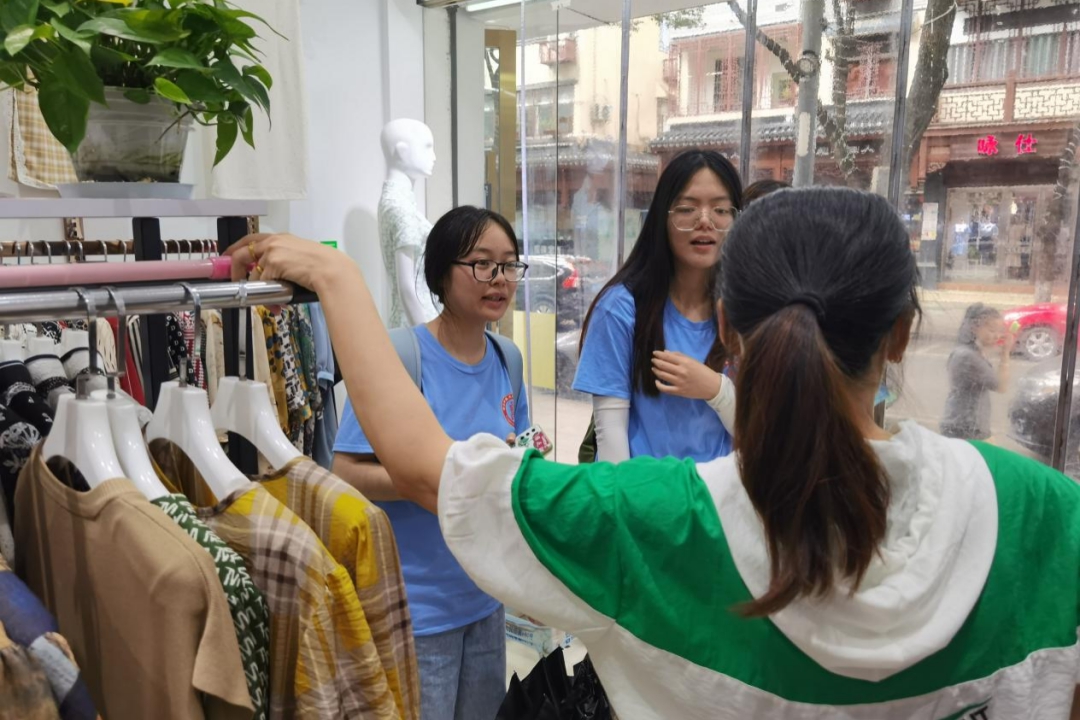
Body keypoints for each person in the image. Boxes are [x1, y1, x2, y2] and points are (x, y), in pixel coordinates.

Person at [230, 188, 1080, 719]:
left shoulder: (653, 521)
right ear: (901, 334)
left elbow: (428, 467)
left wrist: (337, 281)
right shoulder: (1041, 509)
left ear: (729, 332)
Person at [331, 206, 531, 720]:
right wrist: (446, 476)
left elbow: (515, 454)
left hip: (487, 595)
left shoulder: (507, 358)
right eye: (482, 264)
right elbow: (345, 472)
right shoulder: (400, 358)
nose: (500, 278)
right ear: (442, 273)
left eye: (510, 264)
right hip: (416, 608)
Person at [573, 149, 743, 463]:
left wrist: (716, 389)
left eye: (720, 209)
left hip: (717, 492)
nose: (705, 221)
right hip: (642, 490)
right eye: (687, 208)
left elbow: (760, 434)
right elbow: (611, 442)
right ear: (662, 218)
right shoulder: (620, 308)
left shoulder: (744, 311)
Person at [940, 303, 1010, 441]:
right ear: (974, 328)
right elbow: (1001, 386)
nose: (997, 336)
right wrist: (1005, 353)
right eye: (992, 330)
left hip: (966, 425)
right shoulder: (967, 356)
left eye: (999, 331)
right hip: (965, 428)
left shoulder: (969, 351)